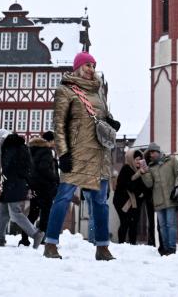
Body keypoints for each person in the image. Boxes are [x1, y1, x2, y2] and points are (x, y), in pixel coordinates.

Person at [42, 52, 120, 261]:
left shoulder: (99, 91)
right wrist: (63, 153)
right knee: (63, 198)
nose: (91, 69)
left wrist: (112, 123)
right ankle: (50, 243)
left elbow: (104, 117)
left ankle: (102, 247)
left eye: (93, 65)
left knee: (100, 203)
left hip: (100, 155)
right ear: (77, 67)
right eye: (87, 65)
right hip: (76, 154)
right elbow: (58, 126)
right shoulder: (66, 90)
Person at [0, 131, 45, 248]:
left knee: (15, 213)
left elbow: (4, 167)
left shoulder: (9, 148)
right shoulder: (19, 146)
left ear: (2, 139)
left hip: (14, 185)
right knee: (1, 212)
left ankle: (35, 234)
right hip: (14, 184)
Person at [142, 142, 178, 256]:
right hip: (159, 201)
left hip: (171, 199)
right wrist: (144, 172)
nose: (151, 155)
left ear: (158, 152)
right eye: (150, 153)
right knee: (163, 226)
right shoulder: (151, 167)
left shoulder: (171, 161)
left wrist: (177, 187)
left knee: (171, 225)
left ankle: (171, 248)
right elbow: (149, 184)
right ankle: (165, 249)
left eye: (153, 152)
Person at [113, 149, 148, 244]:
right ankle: (121, 244)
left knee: (134, 224)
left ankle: (133, 245)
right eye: (136, 159)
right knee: (125, 222)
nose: (138, 161)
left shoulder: (140, 171)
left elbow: (143, 185)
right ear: (131, 159)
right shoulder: (126, 169)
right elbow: (128, 185)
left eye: (140, 159)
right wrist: (138, 192)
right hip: (122, 201)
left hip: (135, 202)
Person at [27, 131, 59, 233]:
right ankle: (41, 237)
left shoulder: (33, 150)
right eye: (54, 140)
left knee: (33, 213)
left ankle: (24, 238)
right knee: (45, 213)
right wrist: (54, 178)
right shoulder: (46, 151)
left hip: (34, 186)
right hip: (44, 187)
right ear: (50, 141)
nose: (55, 143)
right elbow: (44, 168)